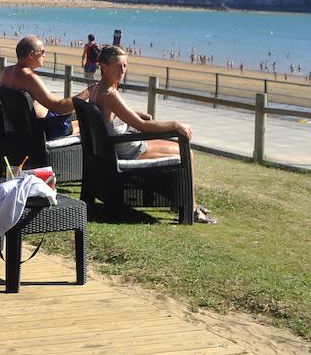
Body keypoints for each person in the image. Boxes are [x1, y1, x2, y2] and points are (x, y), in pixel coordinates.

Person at [87, 45, 215, 223]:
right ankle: (191, 208)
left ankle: (184, 201)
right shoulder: (110, 94)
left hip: (116, 147)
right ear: (103, 66)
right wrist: (175, 124)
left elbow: (115, 115)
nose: (123, 70)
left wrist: (133, 114)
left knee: (175, 147)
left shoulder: (96, 89)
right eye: (118, 66)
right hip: (130, 150)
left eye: (125, 66)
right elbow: (142, 126)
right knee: (188, 153)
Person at [0, 36, 76, 140]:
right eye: (42, 52)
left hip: (19, 129)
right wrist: (87, 93)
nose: (45, 55)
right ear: (31, 55)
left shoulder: (6, 73)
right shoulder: (30, 79)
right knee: (83, 124)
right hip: (42, 131)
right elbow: (60, 107)